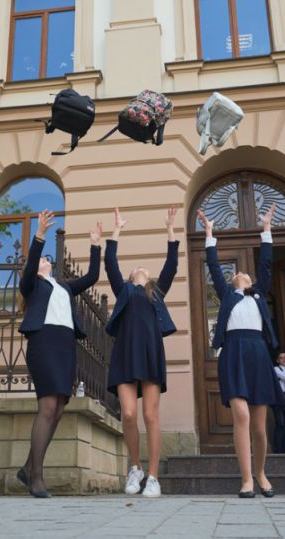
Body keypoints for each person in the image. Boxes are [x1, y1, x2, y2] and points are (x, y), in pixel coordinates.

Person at [198, 204, 284, 498]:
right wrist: (209, 234)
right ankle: (246, 479)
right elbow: (212, 267)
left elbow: (267, 264)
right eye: (237, 273)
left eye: (245, 272)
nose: (242, 273)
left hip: (258, 354)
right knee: (242, 417)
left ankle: (261, 472)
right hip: (233, 353)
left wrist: (267, 230)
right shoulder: (226, 295)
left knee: (260, 426)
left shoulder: (259, 293)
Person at [16, 210, 102, 498]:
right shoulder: (32, 285)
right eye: (41, 259)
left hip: (66, 344)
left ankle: (28, 467)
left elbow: (91, 276)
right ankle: (36, 476)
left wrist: (96, 244)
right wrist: (39, 235)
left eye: (45, 258)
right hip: (44, 342)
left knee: (60, 408)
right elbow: (29, 269)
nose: (45, 261)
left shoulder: (63, 286)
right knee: (48, 407)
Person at [105, 206, 179, 498]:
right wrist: (117, 230)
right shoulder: (123, 291)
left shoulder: (155, 293)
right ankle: (135, 467)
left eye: (144, 268)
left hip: (150, 355)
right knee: (129, 413)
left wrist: (170, 229)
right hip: (124, 354)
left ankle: (153, 476)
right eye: (136, 268)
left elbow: (171, 266)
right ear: (131, 275)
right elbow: (111, 263)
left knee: (150, 415)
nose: (141, 267)